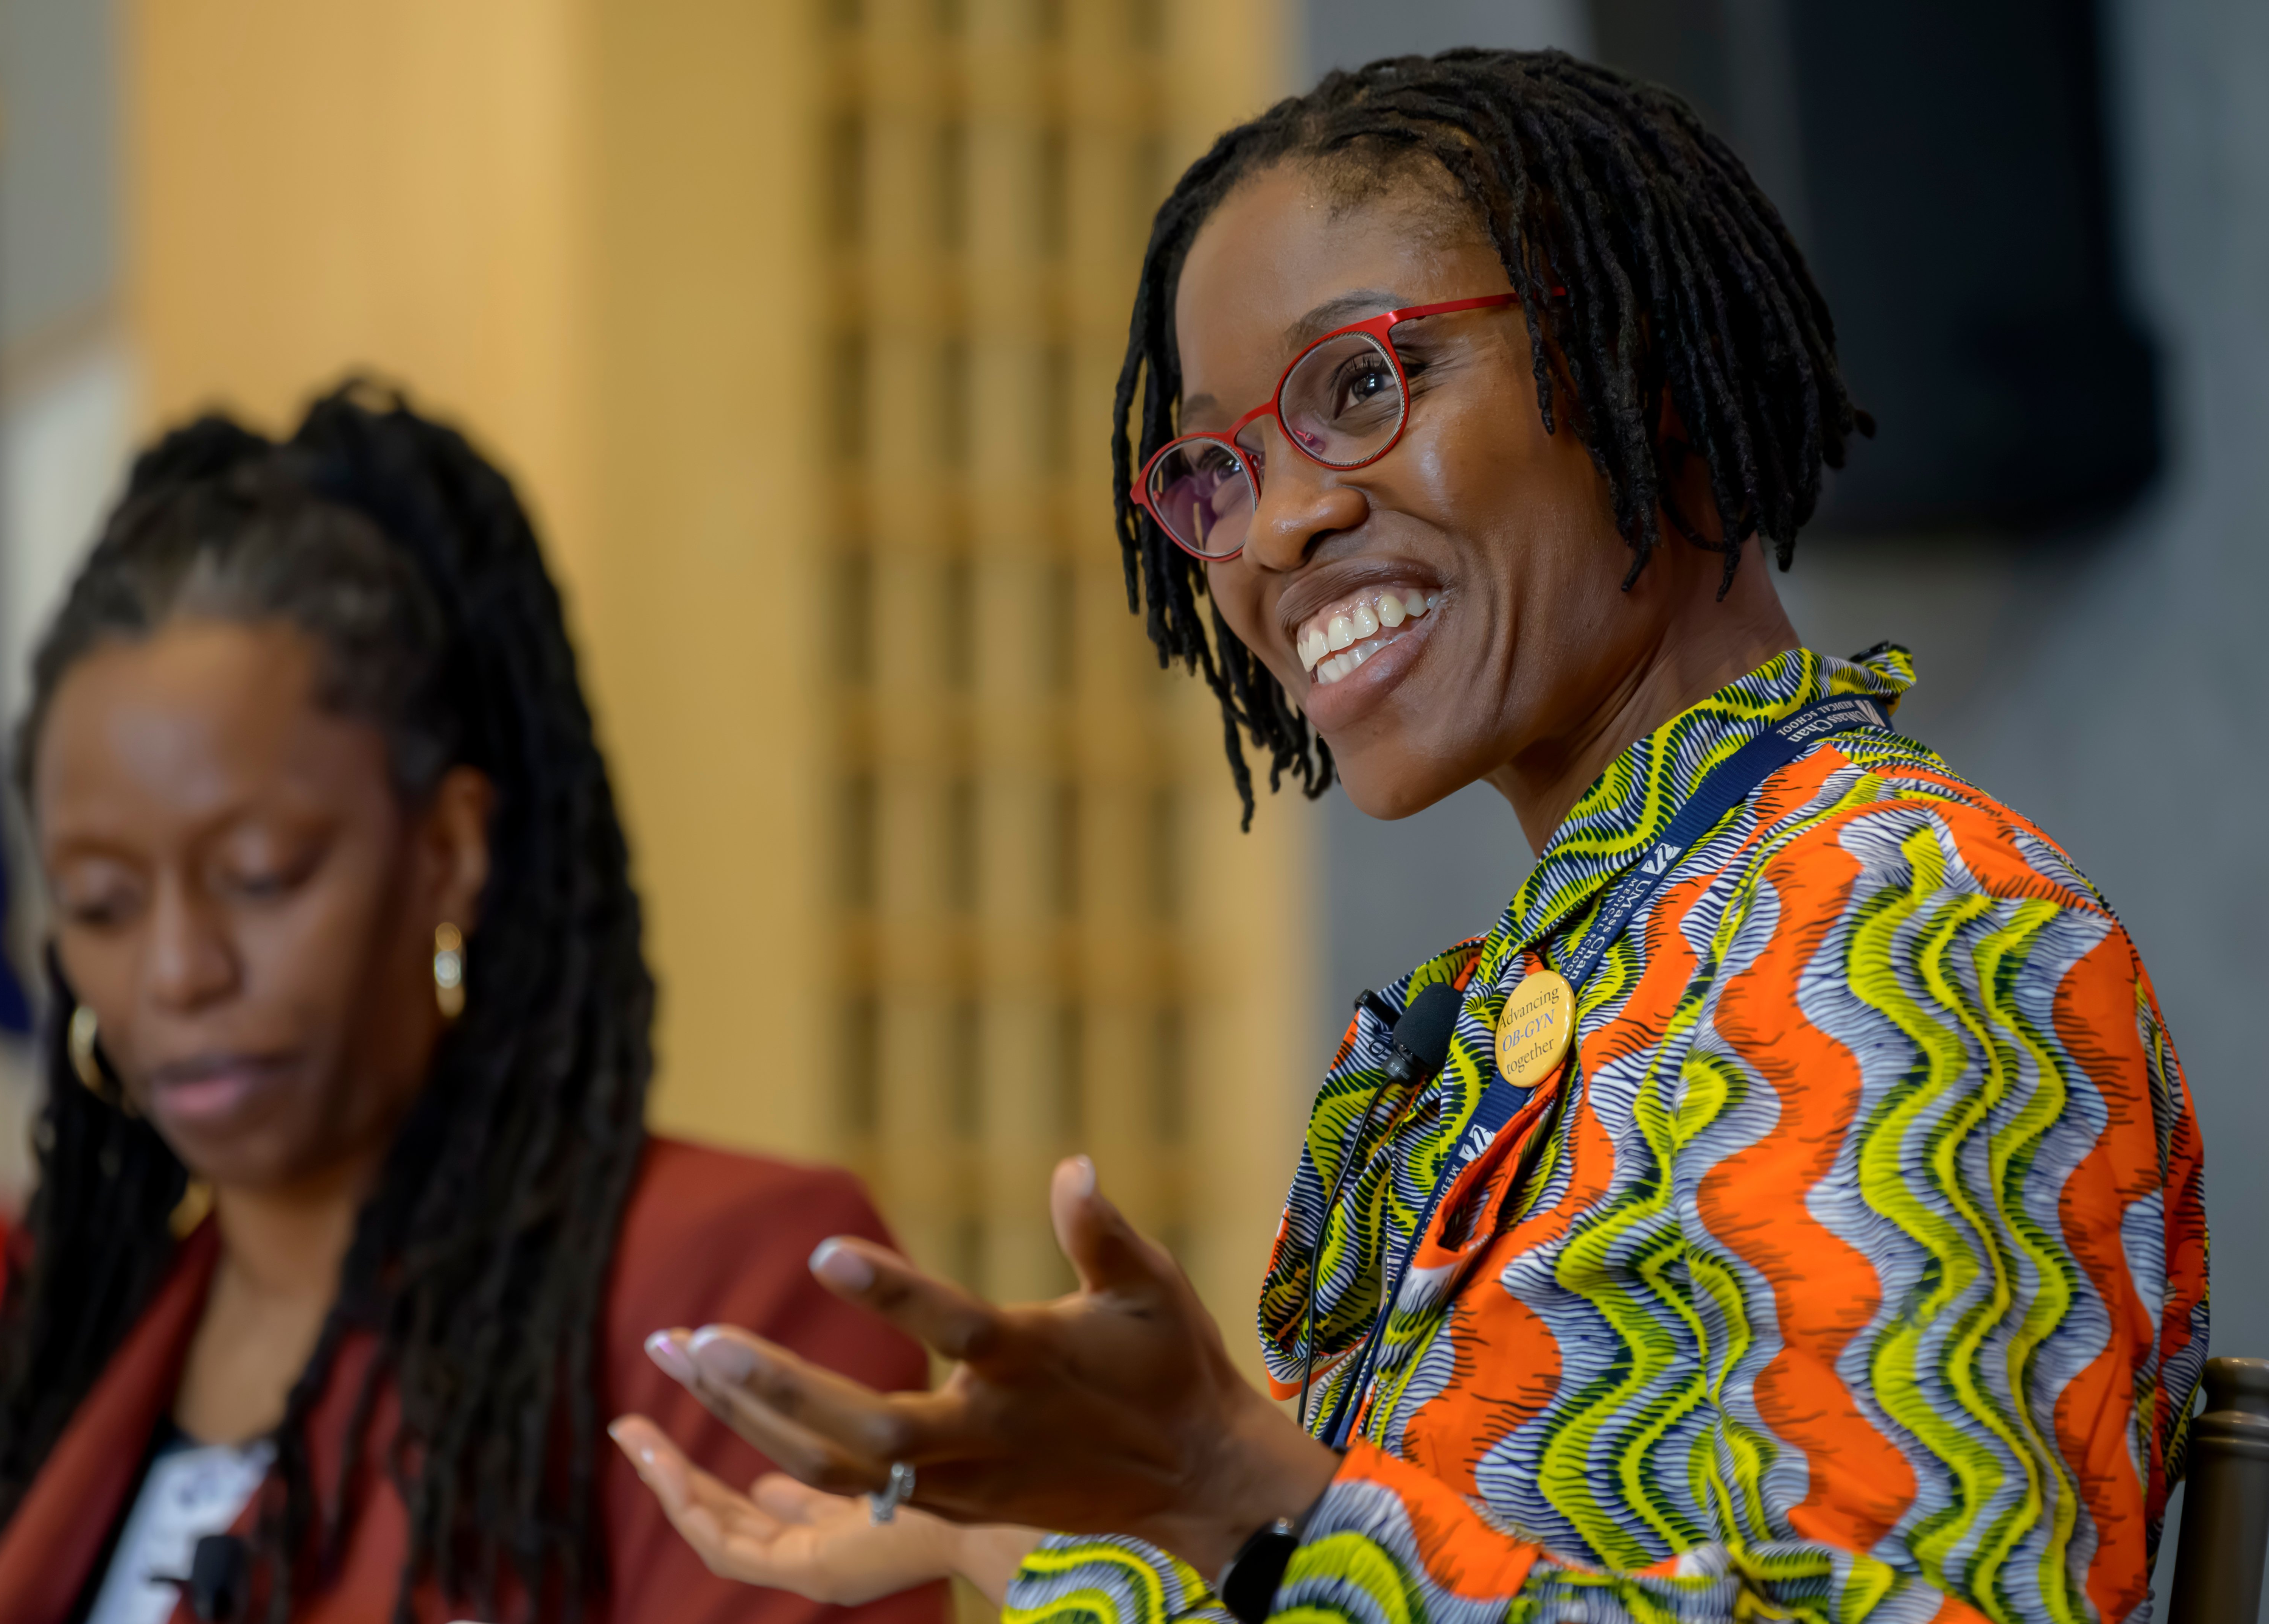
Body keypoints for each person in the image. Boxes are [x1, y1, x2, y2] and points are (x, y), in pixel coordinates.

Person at [605, 48, 2210, 1624]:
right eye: (1219, 466)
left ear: (1642, 363)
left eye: (1362, 385)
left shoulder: (1893, 916)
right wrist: (1047, 1528)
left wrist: (1239, 1486)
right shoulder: (1574, 973)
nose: (1276, 526)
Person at [0, 386, 947, 1624]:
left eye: (260, 875)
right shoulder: (60, 1365)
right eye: (101, 902)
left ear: (448, 850)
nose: (179, 969)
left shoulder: (725, 1290)